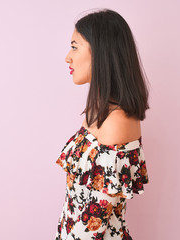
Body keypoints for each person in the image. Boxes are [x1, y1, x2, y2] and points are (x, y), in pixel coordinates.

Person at [55, 8, 150, 240]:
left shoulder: (116, 122)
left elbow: (94, 222)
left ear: (101, 52)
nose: (68, 56)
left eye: (75, 46)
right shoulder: (100, 111)